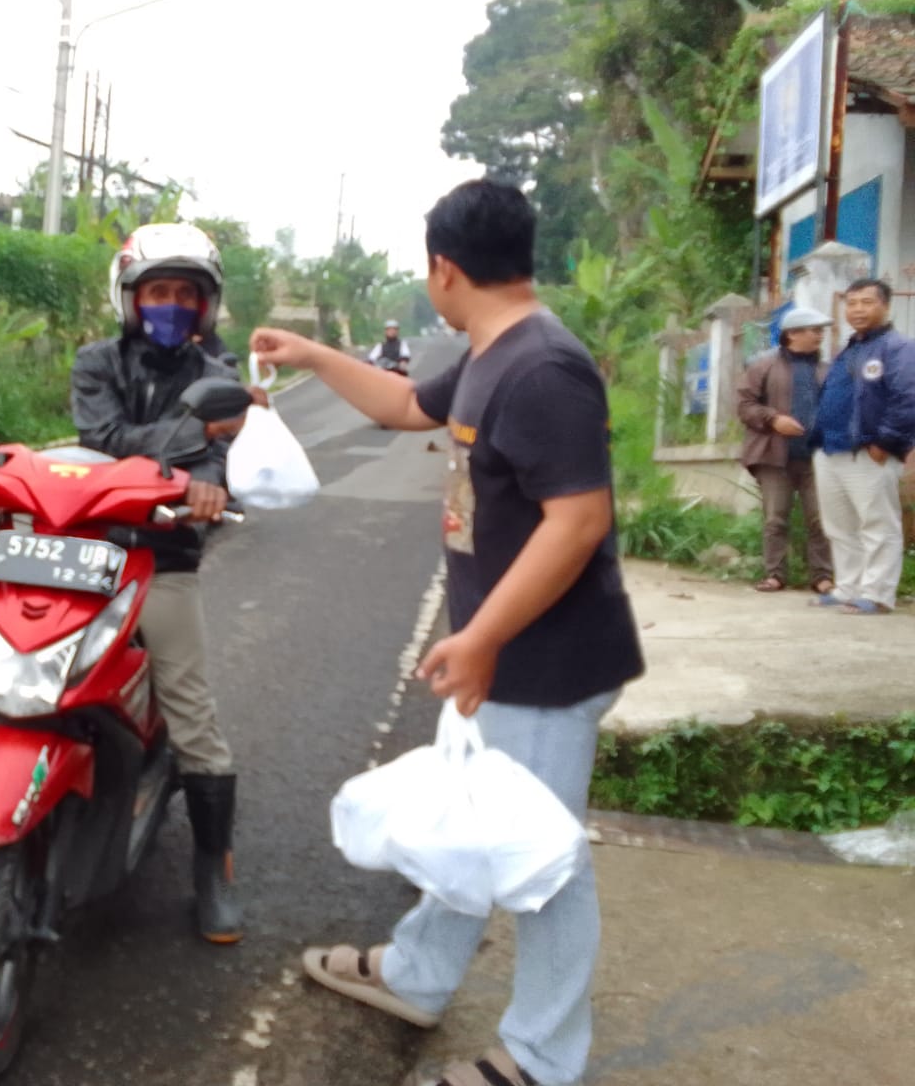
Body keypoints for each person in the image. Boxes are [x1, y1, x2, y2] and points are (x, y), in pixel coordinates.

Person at [252, 180, 643, 1086]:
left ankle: (544, 1059)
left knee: (543, 864)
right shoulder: (488, 351)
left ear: (444, 268)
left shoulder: (542, 368)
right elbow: (401, 408)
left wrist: (483, 637)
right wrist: (310, 352)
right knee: (470, 823)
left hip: (546, 659)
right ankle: (420, 972)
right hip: (505, 654)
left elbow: (576, 522)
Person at [69, 221, 264, 944]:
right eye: (158, 291)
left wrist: (209, 473)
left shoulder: (218, 368)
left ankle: (214, 869)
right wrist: (191, 447)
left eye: (186, 293)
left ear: (206, 304)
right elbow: (101, 440)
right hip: (87, 543)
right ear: (130, 295)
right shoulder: (95, 361)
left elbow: (221, 453)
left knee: (191, 709)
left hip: (164, 553)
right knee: (12, 642)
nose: (172, 304)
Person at [808, 277, 915, 615]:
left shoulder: (898, 348)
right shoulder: (849, 349)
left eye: (866, 302)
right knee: (839, 526)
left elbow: (908, 398)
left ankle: (878, 594)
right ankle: (848, 588)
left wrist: (885, 441)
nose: (857, 310)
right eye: (851, 303)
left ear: (885, 305)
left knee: (877, 523)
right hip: (831, 449)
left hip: (869, 451)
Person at [736, 306, 835, 595]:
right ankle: (775, 574)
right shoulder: (763, 366)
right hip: (774, 455)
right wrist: (774, 419)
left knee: (820, 518)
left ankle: (822, 576)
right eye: (814, 330)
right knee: (775, 517)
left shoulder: (827, 369)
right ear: (792, 334)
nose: (819, 335)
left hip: (817, 456)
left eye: (821, 331)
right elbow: (744, 406)